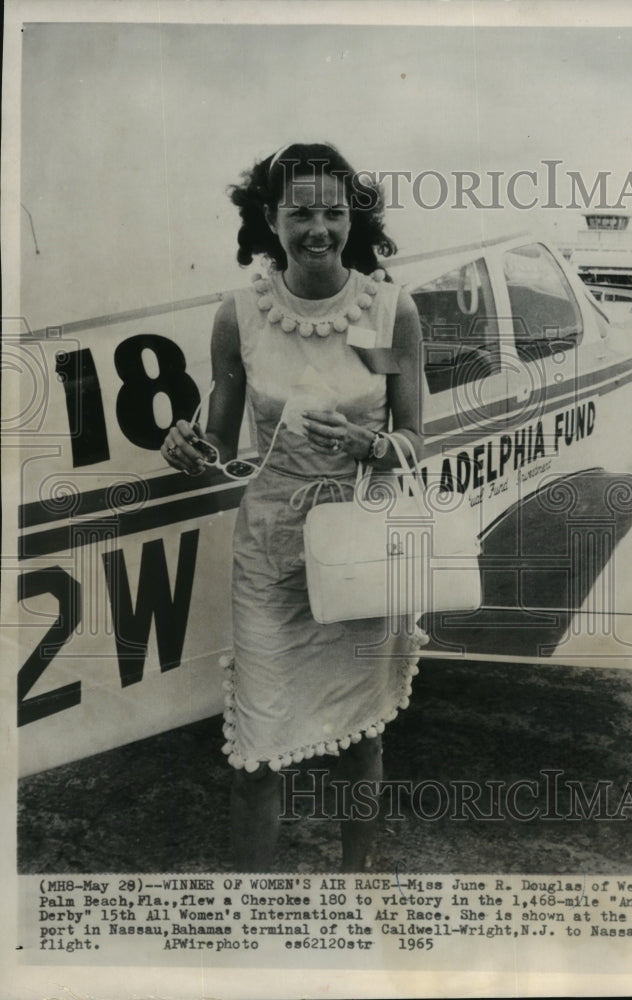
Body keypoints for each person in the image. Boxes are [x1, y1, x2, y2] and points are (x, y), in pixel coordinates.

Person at [161, 142, 426, 872]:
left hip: (357, 544)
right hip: (272, 553)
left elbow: (411, 440)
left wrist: (366, 444)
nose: (318, 228)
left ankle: (354, 886)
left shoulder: (380, 311)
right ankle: (250, 921)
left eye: (333, 212)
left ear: (353, 217)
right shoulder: (239, 315)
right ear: (268, 219)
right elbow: (221, 444)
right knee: (255, 748)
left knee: (361, 734)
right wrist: (187, 446)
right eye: (299, 211)